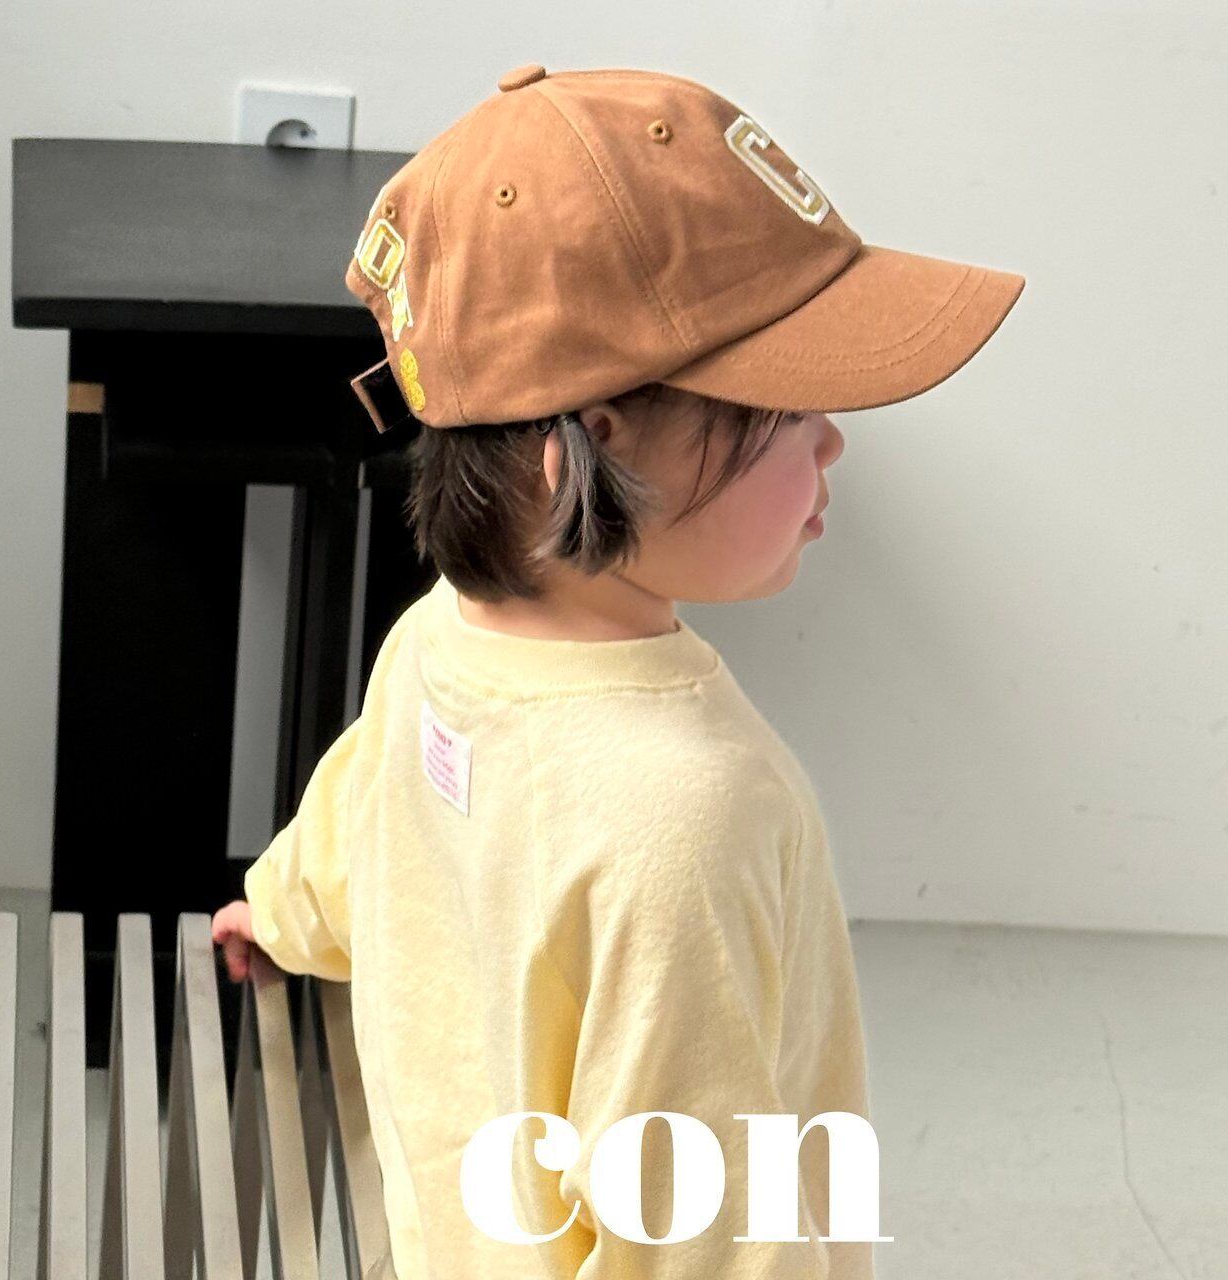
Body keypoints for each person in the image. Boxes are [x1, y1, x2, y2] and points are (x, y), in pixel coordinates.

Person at [213, 62, 1025, 1280]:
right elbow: (699, 1227)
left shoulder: (439, 642)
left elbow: (369, 814)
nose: (831, 440)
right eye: (782, 405)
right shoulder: (690, 815)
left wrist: (280, 912)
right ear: (585, 448)